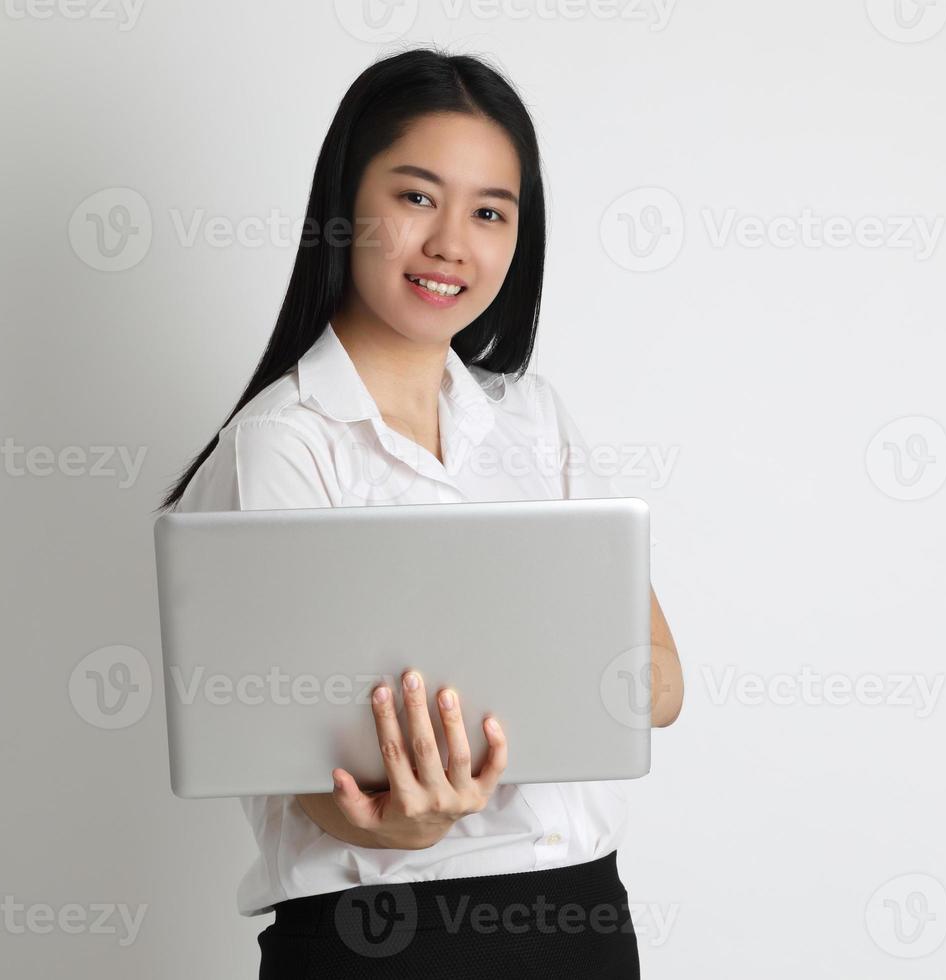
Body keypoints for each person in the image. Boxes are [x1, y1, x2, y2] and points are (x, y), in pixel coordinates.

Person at [157, 46, 684, 978]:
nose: (452, 243)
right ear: (343, 207)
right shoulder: (282, 443)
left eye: (490, 212)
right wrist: (401, 815)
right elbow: (286, 757)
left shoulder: (532, 416)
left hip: (584, 919)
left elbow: (656, 687)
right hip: (383, 938)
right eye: (415, 197)